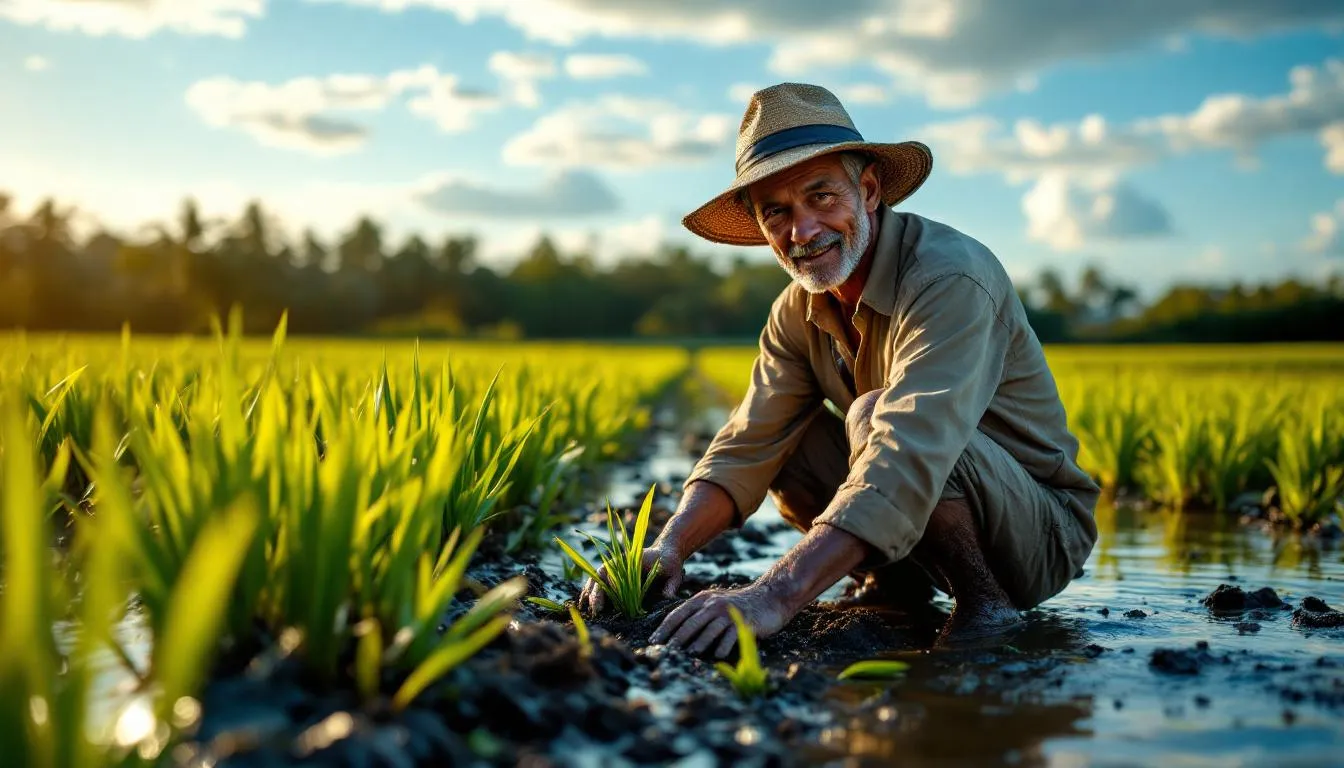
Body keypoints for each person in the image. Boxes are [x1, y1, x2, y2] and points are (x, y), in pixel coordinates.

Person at [578, 82, 1101, 657]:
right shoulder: (796, 310)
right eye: (777, 212)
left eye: (822, 197)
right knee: (790, 434)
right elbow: (749, 442)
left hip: (1034, 532)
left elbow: (911, 445)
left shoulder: (948, 278)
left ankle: (987, 608)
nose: (802, 232)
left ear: (869, 190)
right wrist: (668, 546)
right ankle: (891, 585)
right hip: (917, 519)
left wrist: (775, 593)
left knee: (876, 415)